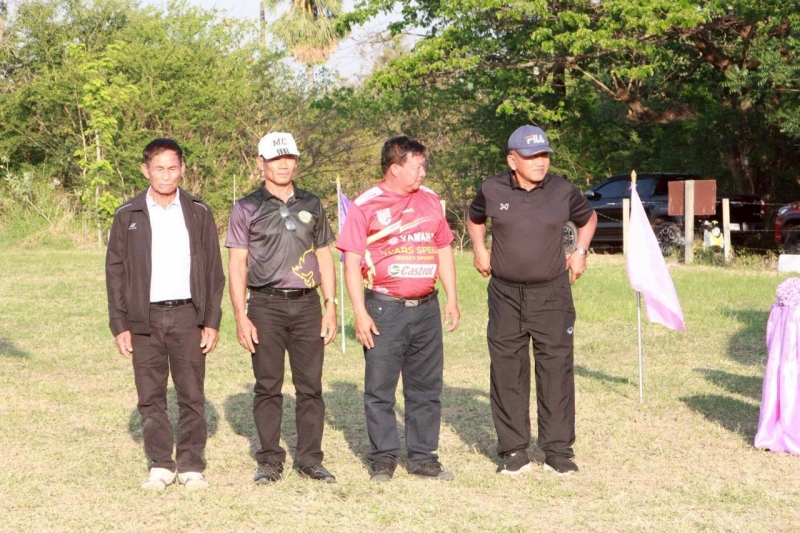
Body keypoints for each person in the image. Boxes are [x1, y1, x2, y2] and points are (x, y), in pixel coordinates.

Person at [467, 125, 597, 476]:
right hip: (505, 294)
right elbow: (475, 218)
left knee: (555, 369)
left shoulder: (562, 190)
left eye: (544, 155)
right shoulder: (491, 189)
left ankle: (557, 451)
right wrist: (479, 248)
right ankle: (513, 450)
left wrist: (580, 251)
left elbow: (588, 219)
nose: (541, 162)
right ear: (512, 160)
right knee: (507, 369)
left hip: (552, 294)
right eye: (532, 156)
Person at [337, 136, 460, 482]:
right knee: (380, 390)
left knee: (426, 388)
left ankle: (423, 458)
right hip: (384, 310)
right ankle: (383, 459)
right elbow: (351, 262)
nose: (424, 172)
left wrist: (451, 297)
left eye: (424, 165)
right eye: (417, 166)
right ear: (395, 168)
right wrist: (359, 312)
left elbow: (444, 248)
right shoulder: (366, 204)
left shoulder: (430, 199)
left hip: (426, 308)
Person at [106, 138, 225, 491]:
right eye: (159, 168)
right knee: (150, 396)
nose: (166, 175)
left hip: (188, 315)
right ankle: (160, 464)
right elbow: (115, 272)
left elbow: (214, 271)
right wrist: (119, 324)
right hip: (144, 319)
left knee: (192, 393)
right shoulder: (127, 214)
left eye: (173, 168)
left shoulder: (199, 212)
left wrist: (211, 321)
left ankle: (190, 464)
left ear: (183, 169)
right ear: (146, 170)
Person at [226, 132, 338, 484]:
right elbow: (237, 264)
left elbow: (324, 255)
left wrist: (331, 305)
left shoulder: (313, 203)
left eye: (289, 157)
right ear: (261, 163)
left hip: (307, 306)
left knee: (311, 387)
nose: (283, 164)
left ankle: (310, 460)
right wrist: (241, 315)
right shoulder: (246, 207)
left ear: (296, 160)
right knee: (268, 386)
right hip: (265, 306)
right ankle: (270, 460)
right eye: (275, 159)